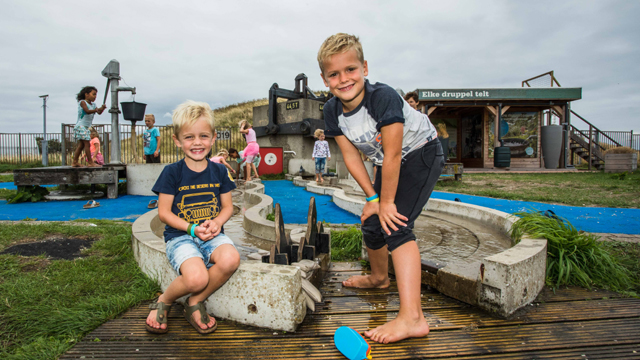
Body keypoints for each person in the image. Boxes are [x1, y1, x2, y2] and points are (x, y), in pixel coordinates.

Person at [318, 33, 444, 344]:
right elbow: (350, 154)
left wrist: (387, 202)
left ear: (365, 67)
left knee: (396, 223)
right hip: (386, 161)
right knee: (372, 223)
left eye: (351, 69)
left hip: (421, 153)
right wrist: (373, 199)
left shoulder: (382, 98)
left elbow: (393, 154)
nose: (343, 79)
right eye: (334, 74)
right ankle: (378, 278)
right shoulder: (332, 111)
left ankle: (413, 318)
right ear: (324, 79)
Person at [146, 100, 240, 335]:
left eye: (203, 136)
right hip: (181, 236)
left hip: (212, 234)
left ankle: (194, 302)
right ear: (177, 140)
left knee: (230, 259)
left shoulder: (219, 171)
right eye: (189, 137)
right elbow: (164, 213)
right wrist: (191, 229)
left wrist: (217, 222)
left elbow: (228, 207)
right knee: (196, 277)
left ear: (213, 137)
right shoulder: (172, 172)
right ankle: (165, 300)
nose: (197, 143)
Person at [72, 86, 106, 167]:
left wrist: (102, 108)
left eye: (96, 95)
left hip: (86, 127)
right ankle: (90, 162)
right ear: (86, 94)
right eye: (93, 94)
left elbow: (99, 112)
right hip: (81, 126)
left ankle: (75, 162)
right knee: (87, 144)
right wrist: (97, 110)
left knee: (81, 145)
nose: (95, 96)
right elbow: (87, 111)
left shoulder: (93, 105)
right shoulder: (82, 102)